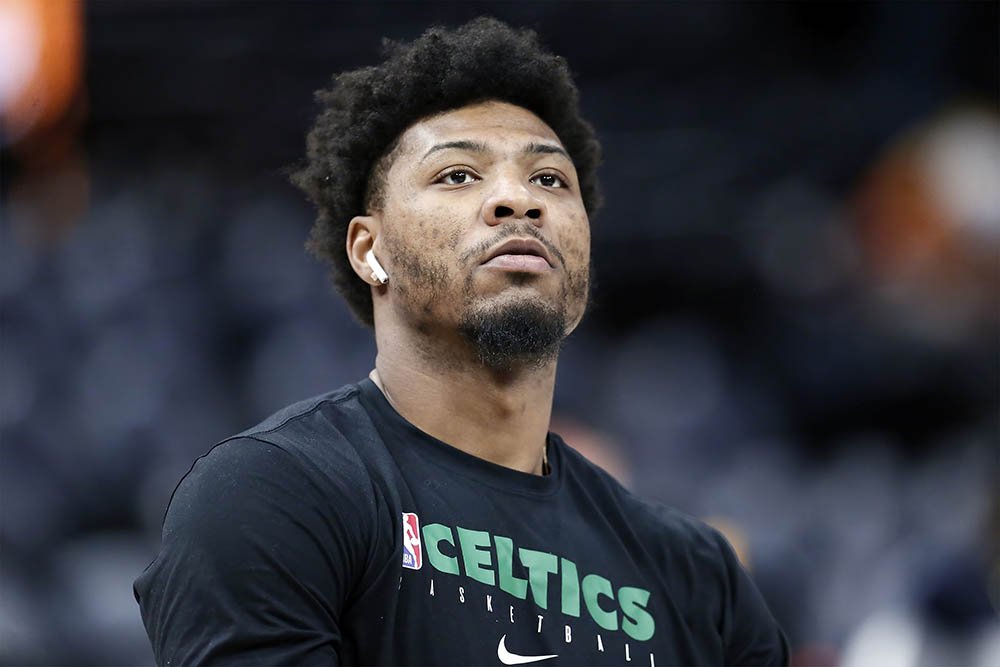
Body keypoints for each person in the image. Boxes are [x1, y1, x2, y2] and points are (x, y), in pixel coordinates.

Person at [134, 17, 789, 666]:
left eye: (550, 180)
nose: (518, 200)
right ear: (370, 249)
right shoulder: (272, 499)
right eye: (457, 175)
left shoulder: (700, 576)